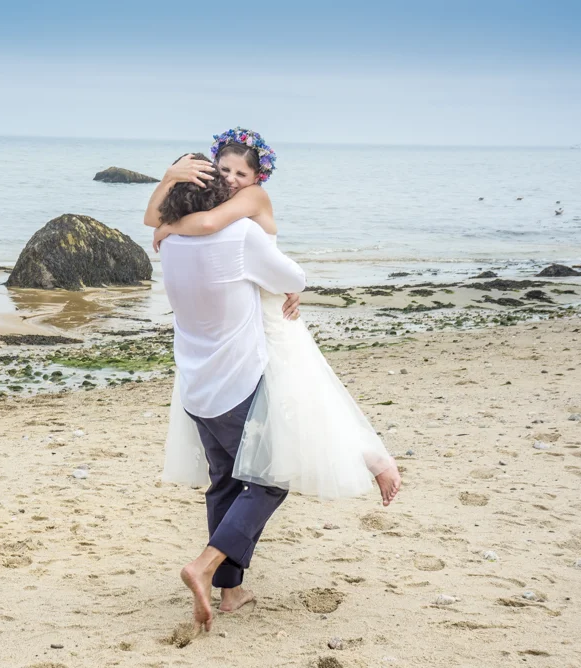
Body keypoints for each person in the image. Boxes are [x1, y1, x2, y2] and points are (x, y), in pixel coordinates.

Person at [155, 128, 401, 507]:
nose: (231, 180)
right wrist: (170, 179)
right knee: (298, 398)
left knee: (304, 398)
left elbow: (204, 227)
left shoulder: (251, 198)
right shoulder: (221, 203)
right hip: (254, 300)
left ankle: (374, 460)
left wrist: (168, 226)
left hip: (267, 307)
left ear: (257, 178)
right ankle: (370, 459)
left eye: (241, 174)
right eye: (223, 171)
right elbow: (153, 218)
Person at [156, 150, 308, 633]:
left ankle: (231, 592)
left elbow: (170, 223)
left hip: (196, 388)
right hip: (238, 383)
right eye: (224, 174)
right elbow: (292, 278)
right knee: (269, 479)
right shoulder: (240, 235)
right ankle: (203, 566)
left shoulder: (168, 241)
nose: (231, 180)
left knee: (225, 480)